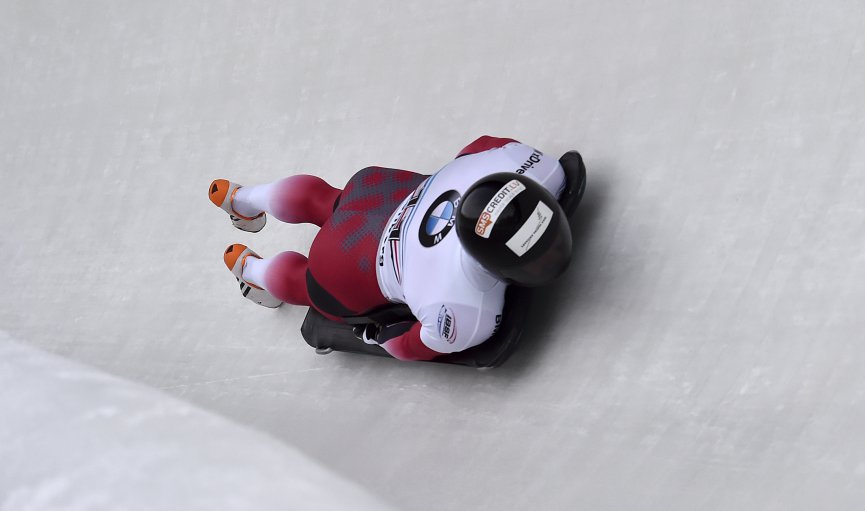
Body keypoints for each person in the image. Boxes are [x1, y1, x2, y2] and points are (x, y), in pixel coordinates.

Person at [208, 136, 572, 361]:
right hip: (350, 259)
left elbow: (478, 147)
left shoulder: (533, 166)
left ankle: (244, 197)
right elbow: (408, 347)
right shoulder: (462, 307)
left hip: (381, 190)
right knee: (311, 285)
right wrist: (378, 337)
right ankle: (251, 271)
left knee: (328, 200)